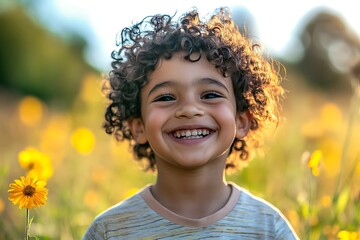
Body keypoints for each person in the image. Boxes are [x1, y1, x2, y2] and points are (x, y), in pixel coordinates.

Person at [83, 7, 299, 239]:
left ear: (241, 120)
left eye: (210, 95)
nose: (189, 110)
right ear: (139, 127)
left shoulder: (269, 228)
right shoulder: (109, 231)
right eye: (166, 97)